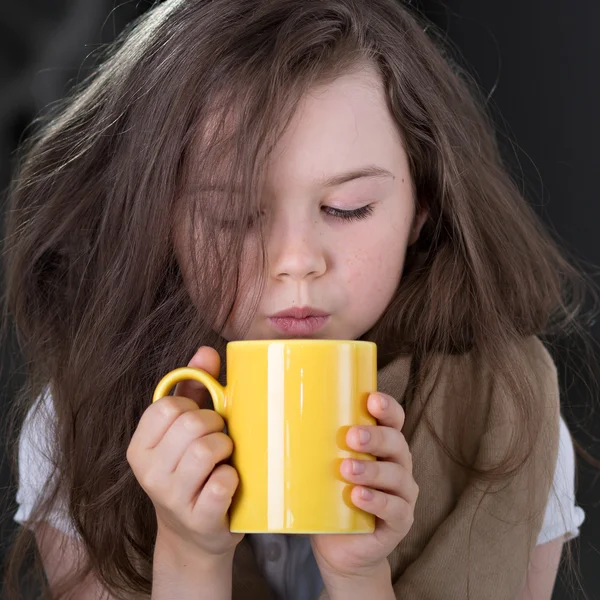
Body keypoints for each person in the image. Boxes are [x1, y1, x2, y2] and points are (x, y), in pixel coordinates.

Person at [1, 0, 591, 598]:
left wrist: (360, 574)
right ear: (163, 221)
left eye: (347, 208)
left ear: (425, 204)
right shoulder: (80, 421)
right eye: (232, 215)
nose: (295, 261)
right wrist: (189, 554)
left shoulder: (509, 415)